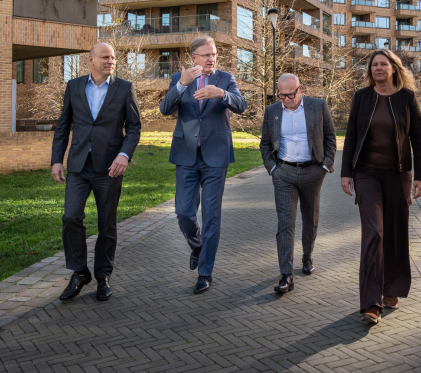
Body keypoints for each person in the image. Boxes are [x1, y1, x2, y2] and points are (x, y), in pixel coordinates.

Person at [340, 49, 421, 325]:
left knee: (395, 233)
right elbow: (351, 136)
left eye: (383, 64)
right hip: (367, 173)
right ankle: (371, 303)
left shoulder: (407, 98)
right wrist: (346, 173)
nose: (378, 68)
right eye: (374, 65)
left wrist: (420, 177)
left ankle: (392, 288)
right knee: (374, 232)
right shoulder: (362, 97)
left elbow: (419, 141)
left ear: (393, 68)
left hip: (398, 174)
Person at [51, 43, 141, 302]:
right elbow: (63, 126)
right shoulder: (75, 87)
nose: (110, 61)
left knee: (107, 225)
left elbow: (134, 127)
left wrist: (124, 155)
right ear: (90, 60)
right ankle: (79, 272)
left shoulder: (124, 88)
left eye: (112, 57)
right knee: (71, 217)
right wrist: (57, 160)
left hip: (109, 168)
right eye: (105, 57)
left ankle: (103, 275)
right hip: (79, 166)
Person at [159, 35, 247, 294]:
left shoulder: (225, 79)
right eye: (206, 55)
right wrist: (180, 86)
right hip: (186, 153)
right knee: (184, 211)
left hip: (215, 156)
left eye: (214, 54)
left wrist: (221, 94)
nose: (211, 59)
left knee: (211, 216)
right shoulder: (179, 78)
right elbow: (165, 109)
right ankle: (197, 245)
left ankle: (205, 273)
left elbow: (241, 105)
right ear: (193, 58)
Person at [259, 74, 336, 294]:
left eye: (290, 95)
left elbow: (330, 138)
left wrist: (325, 165)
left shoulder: (318, 106)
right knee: (285, 223)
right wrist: (273, 169)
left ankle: (307, 255)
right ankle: (286, 274)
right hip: (284, 173)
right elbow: (264, 144)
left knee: (310, 219)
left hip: (313, 171)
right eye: (281, 95)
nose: (285, 99)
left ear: (300, 89)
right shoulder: (272, 111)